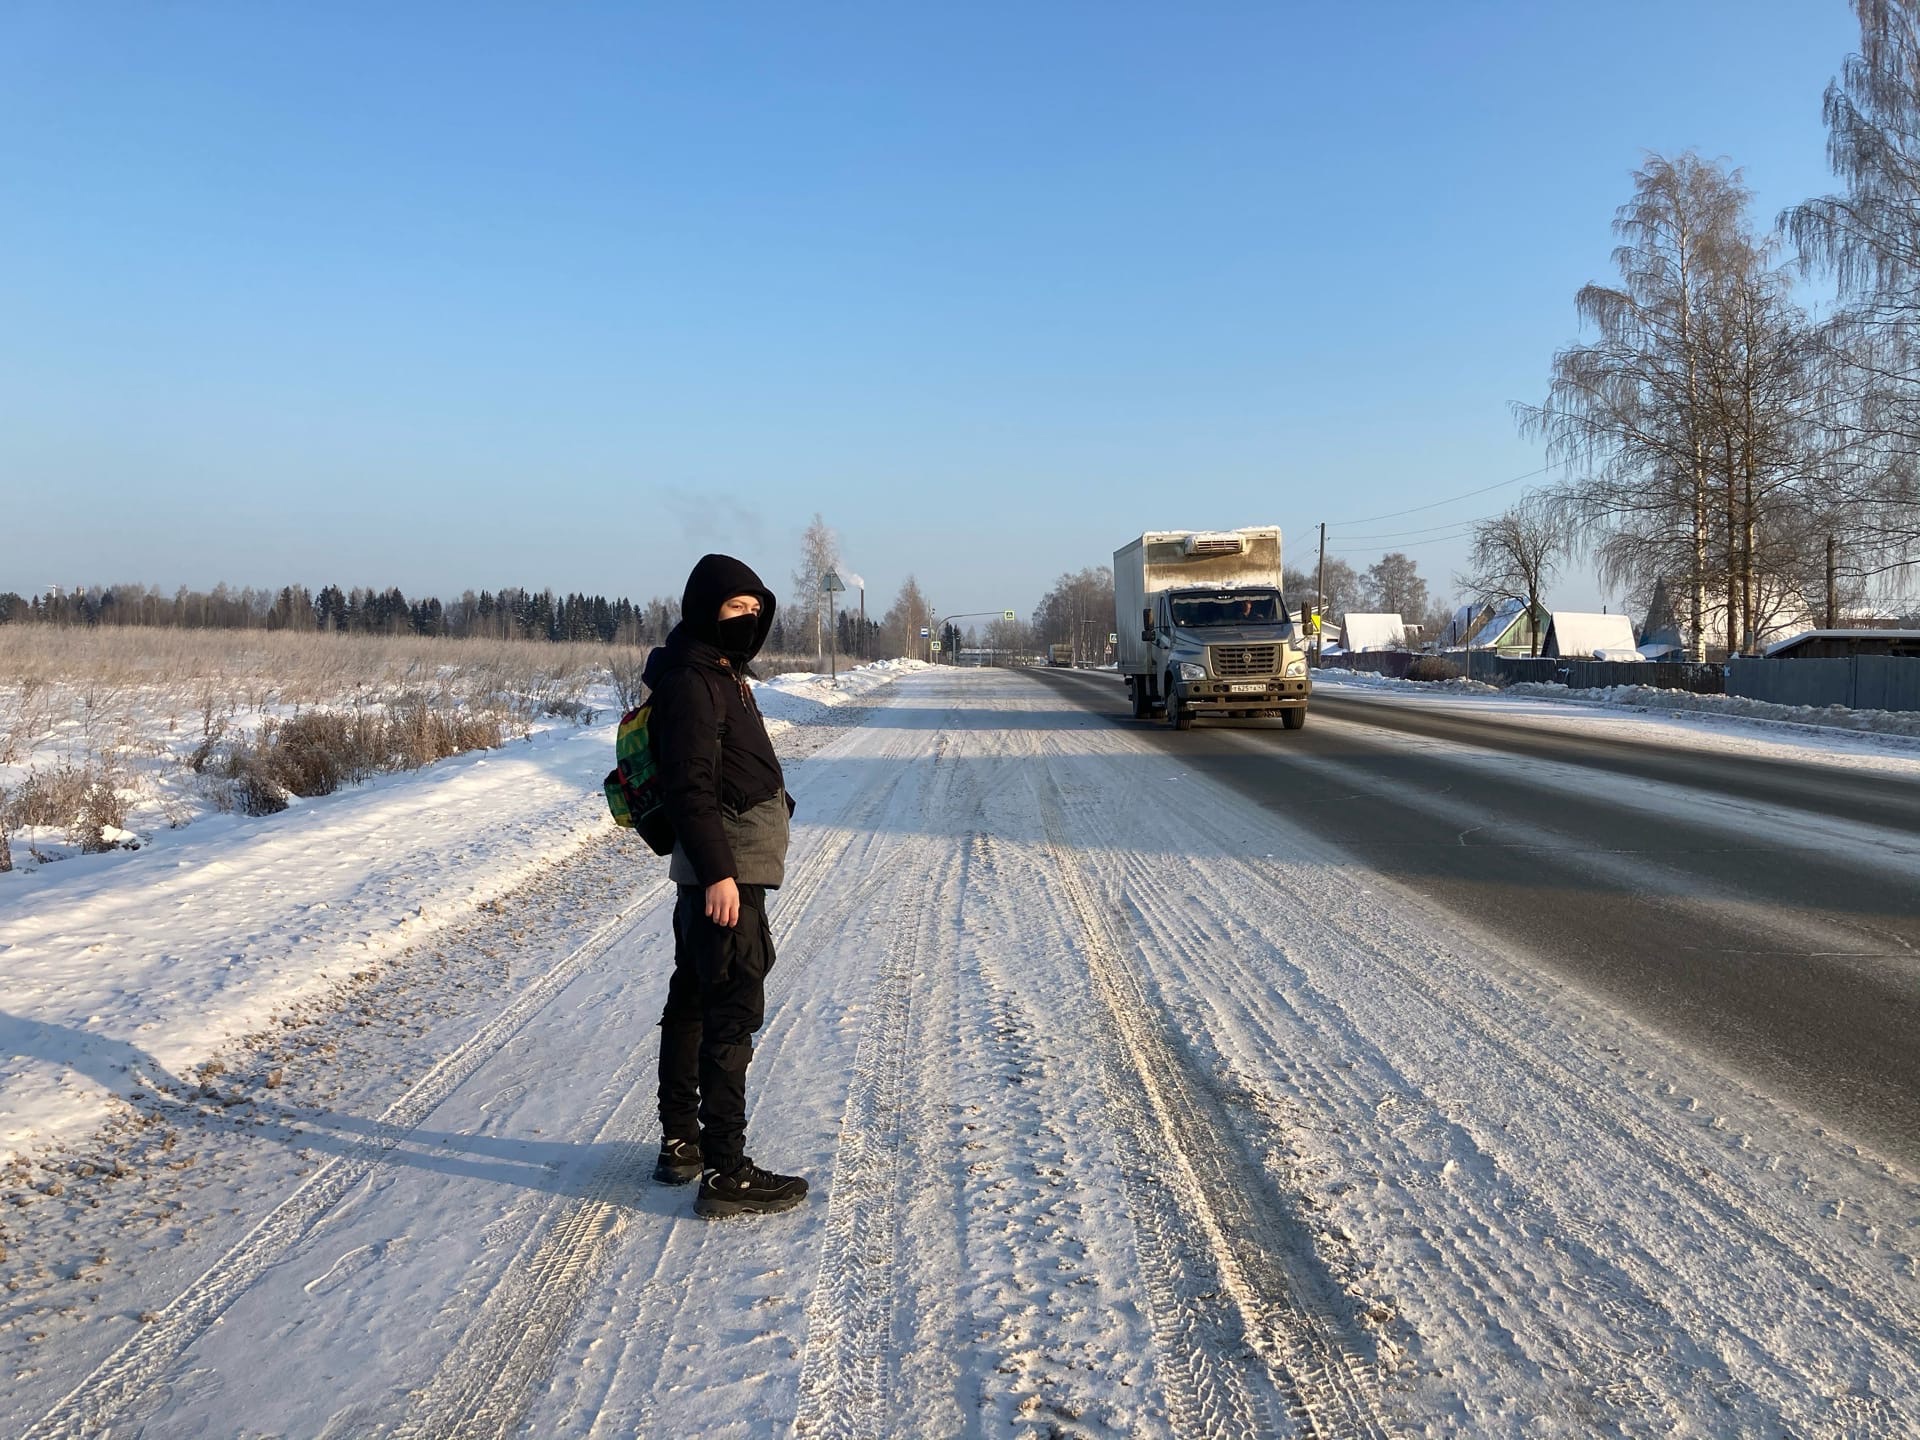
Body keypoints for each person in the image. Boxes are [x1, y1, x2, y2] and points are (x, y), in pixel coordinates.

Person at [640, 553, 807, 1218]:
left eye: (755, 610)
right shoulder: (694, 679)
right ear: (706, 609)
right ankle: (726, 1171)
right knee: (731, 1006)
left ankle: (682, 1142)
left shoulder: (719, 670)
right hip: (726, 869)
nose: (748, 619)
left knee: (695, 995)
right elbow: (690, 783)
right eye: (735, 608)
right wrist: (718, 874)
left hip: (726, 862)